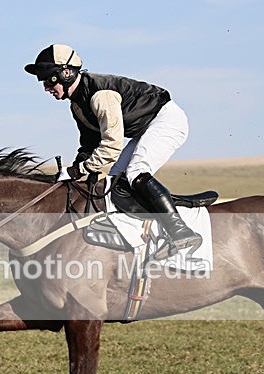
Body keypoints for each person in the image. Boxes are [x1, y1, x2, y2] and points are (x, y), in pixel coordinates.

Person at [24, 44, 201, 256]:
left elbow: (111, 146)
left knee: (136, 173)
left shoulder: (100, 96)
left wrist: (79, 170)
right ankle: (146, 233)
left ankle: (180, 232)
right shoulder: (77, 105)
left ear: (66, 73)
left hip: (167, 120)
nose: (46, 87)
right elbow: (89, 144)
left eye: (49, 79)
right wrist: (74, 172)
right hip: (145, 129)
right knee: (115, 182)